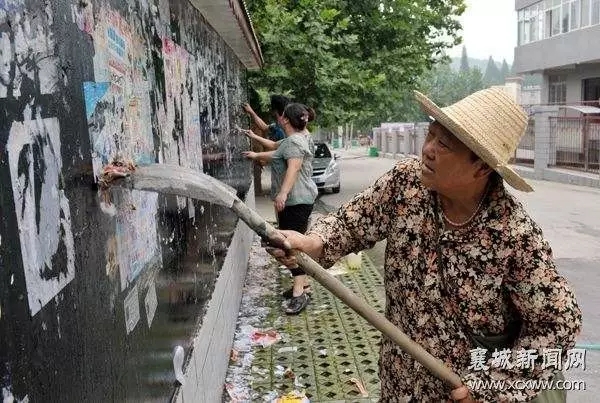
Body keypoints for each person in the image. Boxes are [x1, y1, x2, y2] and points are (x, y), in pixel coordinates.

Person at [265, 88, 582, 402]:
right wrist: (312, 242)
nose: (428, 150)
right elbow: (349, 223)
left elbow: (559, 323)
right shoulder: (406, 184)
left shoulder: (512, 236)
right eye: (431, 135)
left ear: (482, 167)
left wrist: (491, 387)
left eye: (444, 144)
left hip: (456, 393)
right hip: (399, 383)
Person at [243, 103, 318, 314]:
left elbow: (294, 167)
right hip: (299, 200)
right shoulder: (296, 139)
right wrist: (256, 151)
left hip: (296, 201)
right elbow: (276, 149)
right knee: (285, 246)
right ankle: (303, 285)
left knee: (289, 248)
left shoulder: (295, 142)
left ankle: (299, 293)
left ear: (285, 119)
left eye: (282, 115)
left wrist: (283, 194)